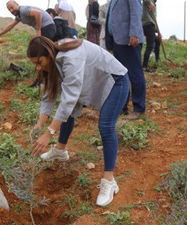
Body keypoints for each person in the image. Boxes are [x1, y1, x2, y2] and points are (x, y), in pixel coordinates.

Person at [27, 36, 129, 207]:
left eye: (39, 62)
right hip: (92, 81)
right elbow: (49, 94)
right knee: (68, 113)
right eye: (34, 64)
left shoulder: (70, 57)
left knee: (105, 126)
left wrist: (49, 133)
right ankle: (60, 150)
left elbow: (68, 99)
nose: (38, 67)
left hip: (116, 81)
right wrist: (39, 123)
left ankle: (109, 181)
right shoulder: (54, 58)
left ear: (49, 53)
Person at [105, 0, 146, 120]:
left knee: (134, 73)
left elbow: (136, 11)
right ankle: (122, 107)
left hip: (129, 39)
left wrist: (134, 33)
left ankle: (139, 108)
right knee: (121, 75)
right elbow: (111, 17)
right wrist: (109, 41)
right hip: (118, 40)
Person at [142, 0, 160, 72]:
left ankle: (157, 60)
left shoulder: (154, 4)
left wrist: (158, 31)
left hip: (150, 25)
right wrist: (150, 2)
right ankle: (145, 65)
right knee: (150, 46)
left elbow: (154, 19)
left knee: (157, 40)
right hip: (148, 24)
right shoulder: (148, 2)